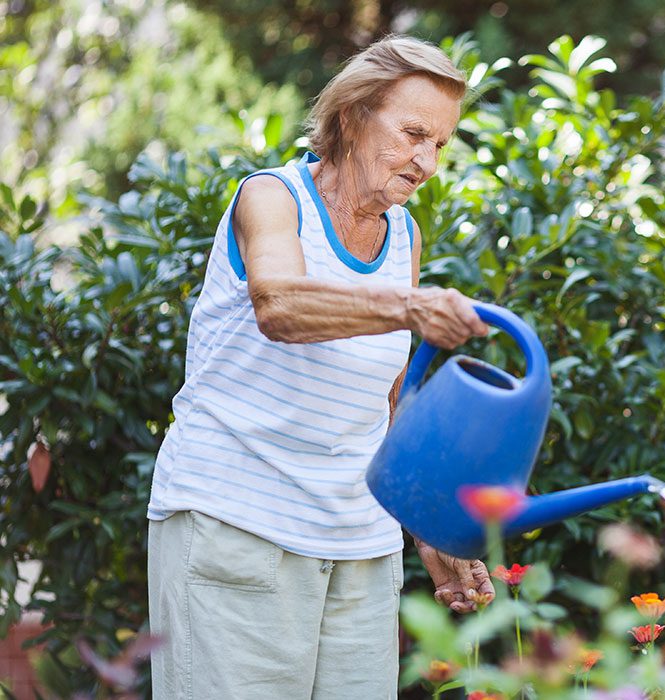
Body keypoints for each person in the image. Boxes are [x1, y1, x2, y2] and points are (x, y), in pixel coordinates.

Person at [146, 35, 495, 698]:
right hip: (236, 527)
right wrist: (410, 308)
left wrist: (425, 525)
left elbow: (385, 408)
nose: (426, 162)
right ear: (352, 117)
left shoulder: (404, 238)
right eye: (414, 133)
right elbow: (280, 305)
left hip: (357, 545)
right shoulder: (272, 199)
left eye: (441, 144)